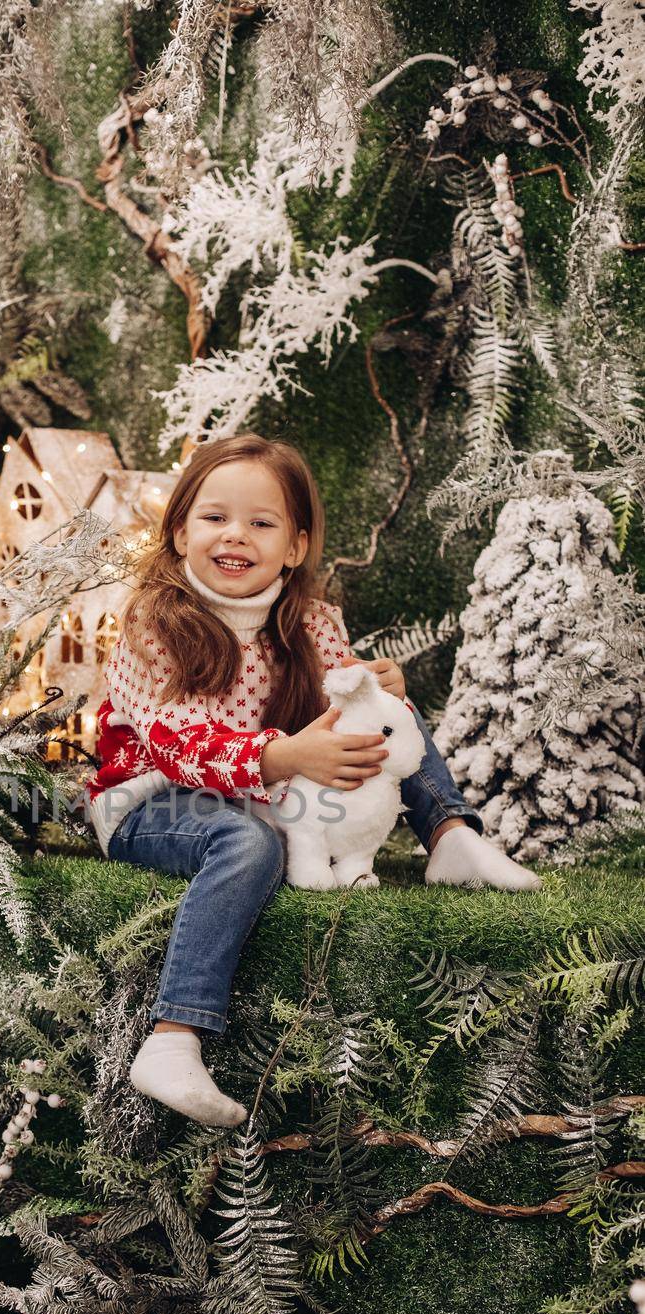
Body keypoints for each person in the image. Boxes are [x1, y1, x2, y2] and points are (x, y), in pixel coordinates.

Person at [83, 432, 541, 1130]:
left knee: (387, 719)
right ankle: (172, 1040)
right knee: (246, 846)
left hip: (271, 786)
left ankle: (447, 831)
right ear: (179, 531)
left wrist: (373, 693)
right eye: (213, 518)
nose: (235, 535)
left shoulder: (311, 620)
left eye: (261, 523)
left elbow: (342, 722)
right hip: (152, 798)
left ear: (294, 546)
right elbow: (175, 746)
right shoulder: (156, 622)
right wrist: (284, 759)